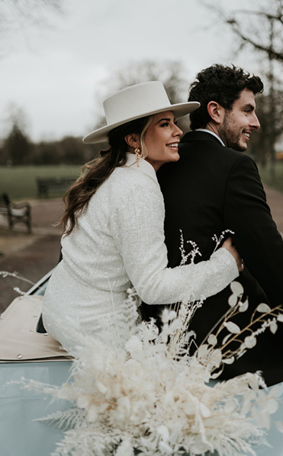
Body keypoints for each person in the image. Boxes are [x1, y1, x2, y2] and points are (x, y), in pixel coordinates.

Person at [142, 64, 283, 386]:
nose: (256, 123)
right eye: (247, 111)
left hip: (158, 325)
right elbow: (271, 257)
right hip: (214, 335)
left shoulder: (163, 160)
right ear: (216, 111)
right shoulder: (234, 166)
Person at [42, 82, 243, 355]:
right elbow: (153, 287)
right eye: (164, 124)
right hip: (95, 331)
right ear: (134, 140)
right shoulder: (137, 188)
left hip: (60, 309)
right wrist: (225, 263)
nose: (178, 131)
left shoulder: (114, 174)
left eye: (174, 122)